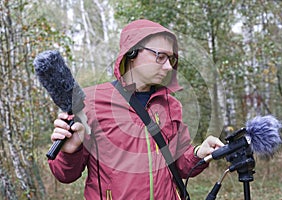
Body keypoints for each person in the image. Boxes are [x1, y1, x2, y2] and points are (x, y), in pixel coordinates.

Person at [48, 19, 224, 200]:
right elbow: (65, 175)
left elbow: (179, 164)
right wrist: (69, 153)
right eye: (160, 56)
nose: (168, 66)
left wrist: (199, 153)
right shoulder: (90, 102)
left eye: (170, 59)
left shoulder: (171, 105)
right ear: (131, 52)